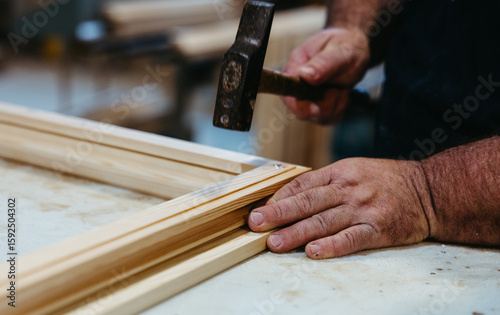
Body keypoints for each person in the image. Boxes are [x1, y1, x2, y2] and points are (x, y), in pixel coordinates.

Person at [247, 0, 500, 259]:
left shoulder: (422, 193)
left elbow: (421, 192)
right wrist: (351, 28)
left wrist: (427, 192)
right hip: (393, 178)